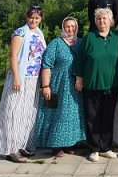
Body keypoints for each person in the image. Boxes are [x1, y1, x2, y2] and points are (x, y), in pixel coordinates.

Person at [0, 5, 46, 162]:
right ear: (26, 17)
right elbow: (13, 56)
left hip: (33, 79)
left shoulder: (39, 33)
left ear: (40, 19)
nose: (33, 20)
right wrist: (16, 77)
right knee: (14, 112)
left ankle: (22, 144)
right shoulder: (20, 32)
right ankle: (11, 149)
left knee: (27, 113)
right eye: (31, 17)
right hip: (20, 78)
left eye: (37, 18)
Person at [73, 8, 118, 162]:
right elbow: (80, 59)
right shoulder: (89, 38)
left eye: (105, 18)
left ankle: (106, 147)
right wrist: (79, 78)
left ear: (111, 21)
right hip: (92, 84)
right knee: (92, 117)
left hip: (112, 85)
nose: (102, 21)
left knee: (108, 117)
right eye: (99, 19)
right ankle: (94, 148)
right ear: (95, 21)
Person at [35, 17, 86, 157]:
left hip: (76, 85)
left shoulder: (81, 43)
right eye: (67, 27)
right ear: (63, 28)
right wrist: (45, 86)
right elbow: (46, 65)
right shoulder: (56, 43)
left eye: (73, 26)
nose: (70, 29)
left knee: (73, 115)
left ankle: (69, 143)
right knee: (58, 114)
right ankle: (56, 145)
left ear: (77, 28)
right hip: (59, 84)